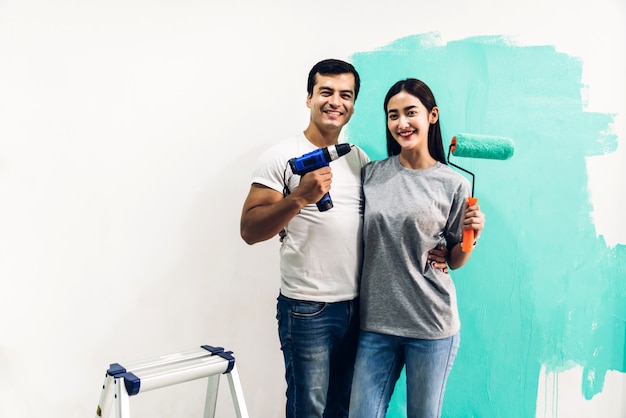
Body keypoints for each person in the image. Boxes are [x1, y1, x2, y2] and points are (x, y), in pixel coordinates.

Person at [348, 78, 485, 418]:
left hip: (431, 325)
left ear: (432, 115)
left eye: (411, 112)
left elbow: (454, 259)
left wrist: (470, 237)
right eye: (393, 115)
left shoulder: (453, 183)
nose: (401, 123)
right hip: (376, 324)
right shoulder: (371, 175)